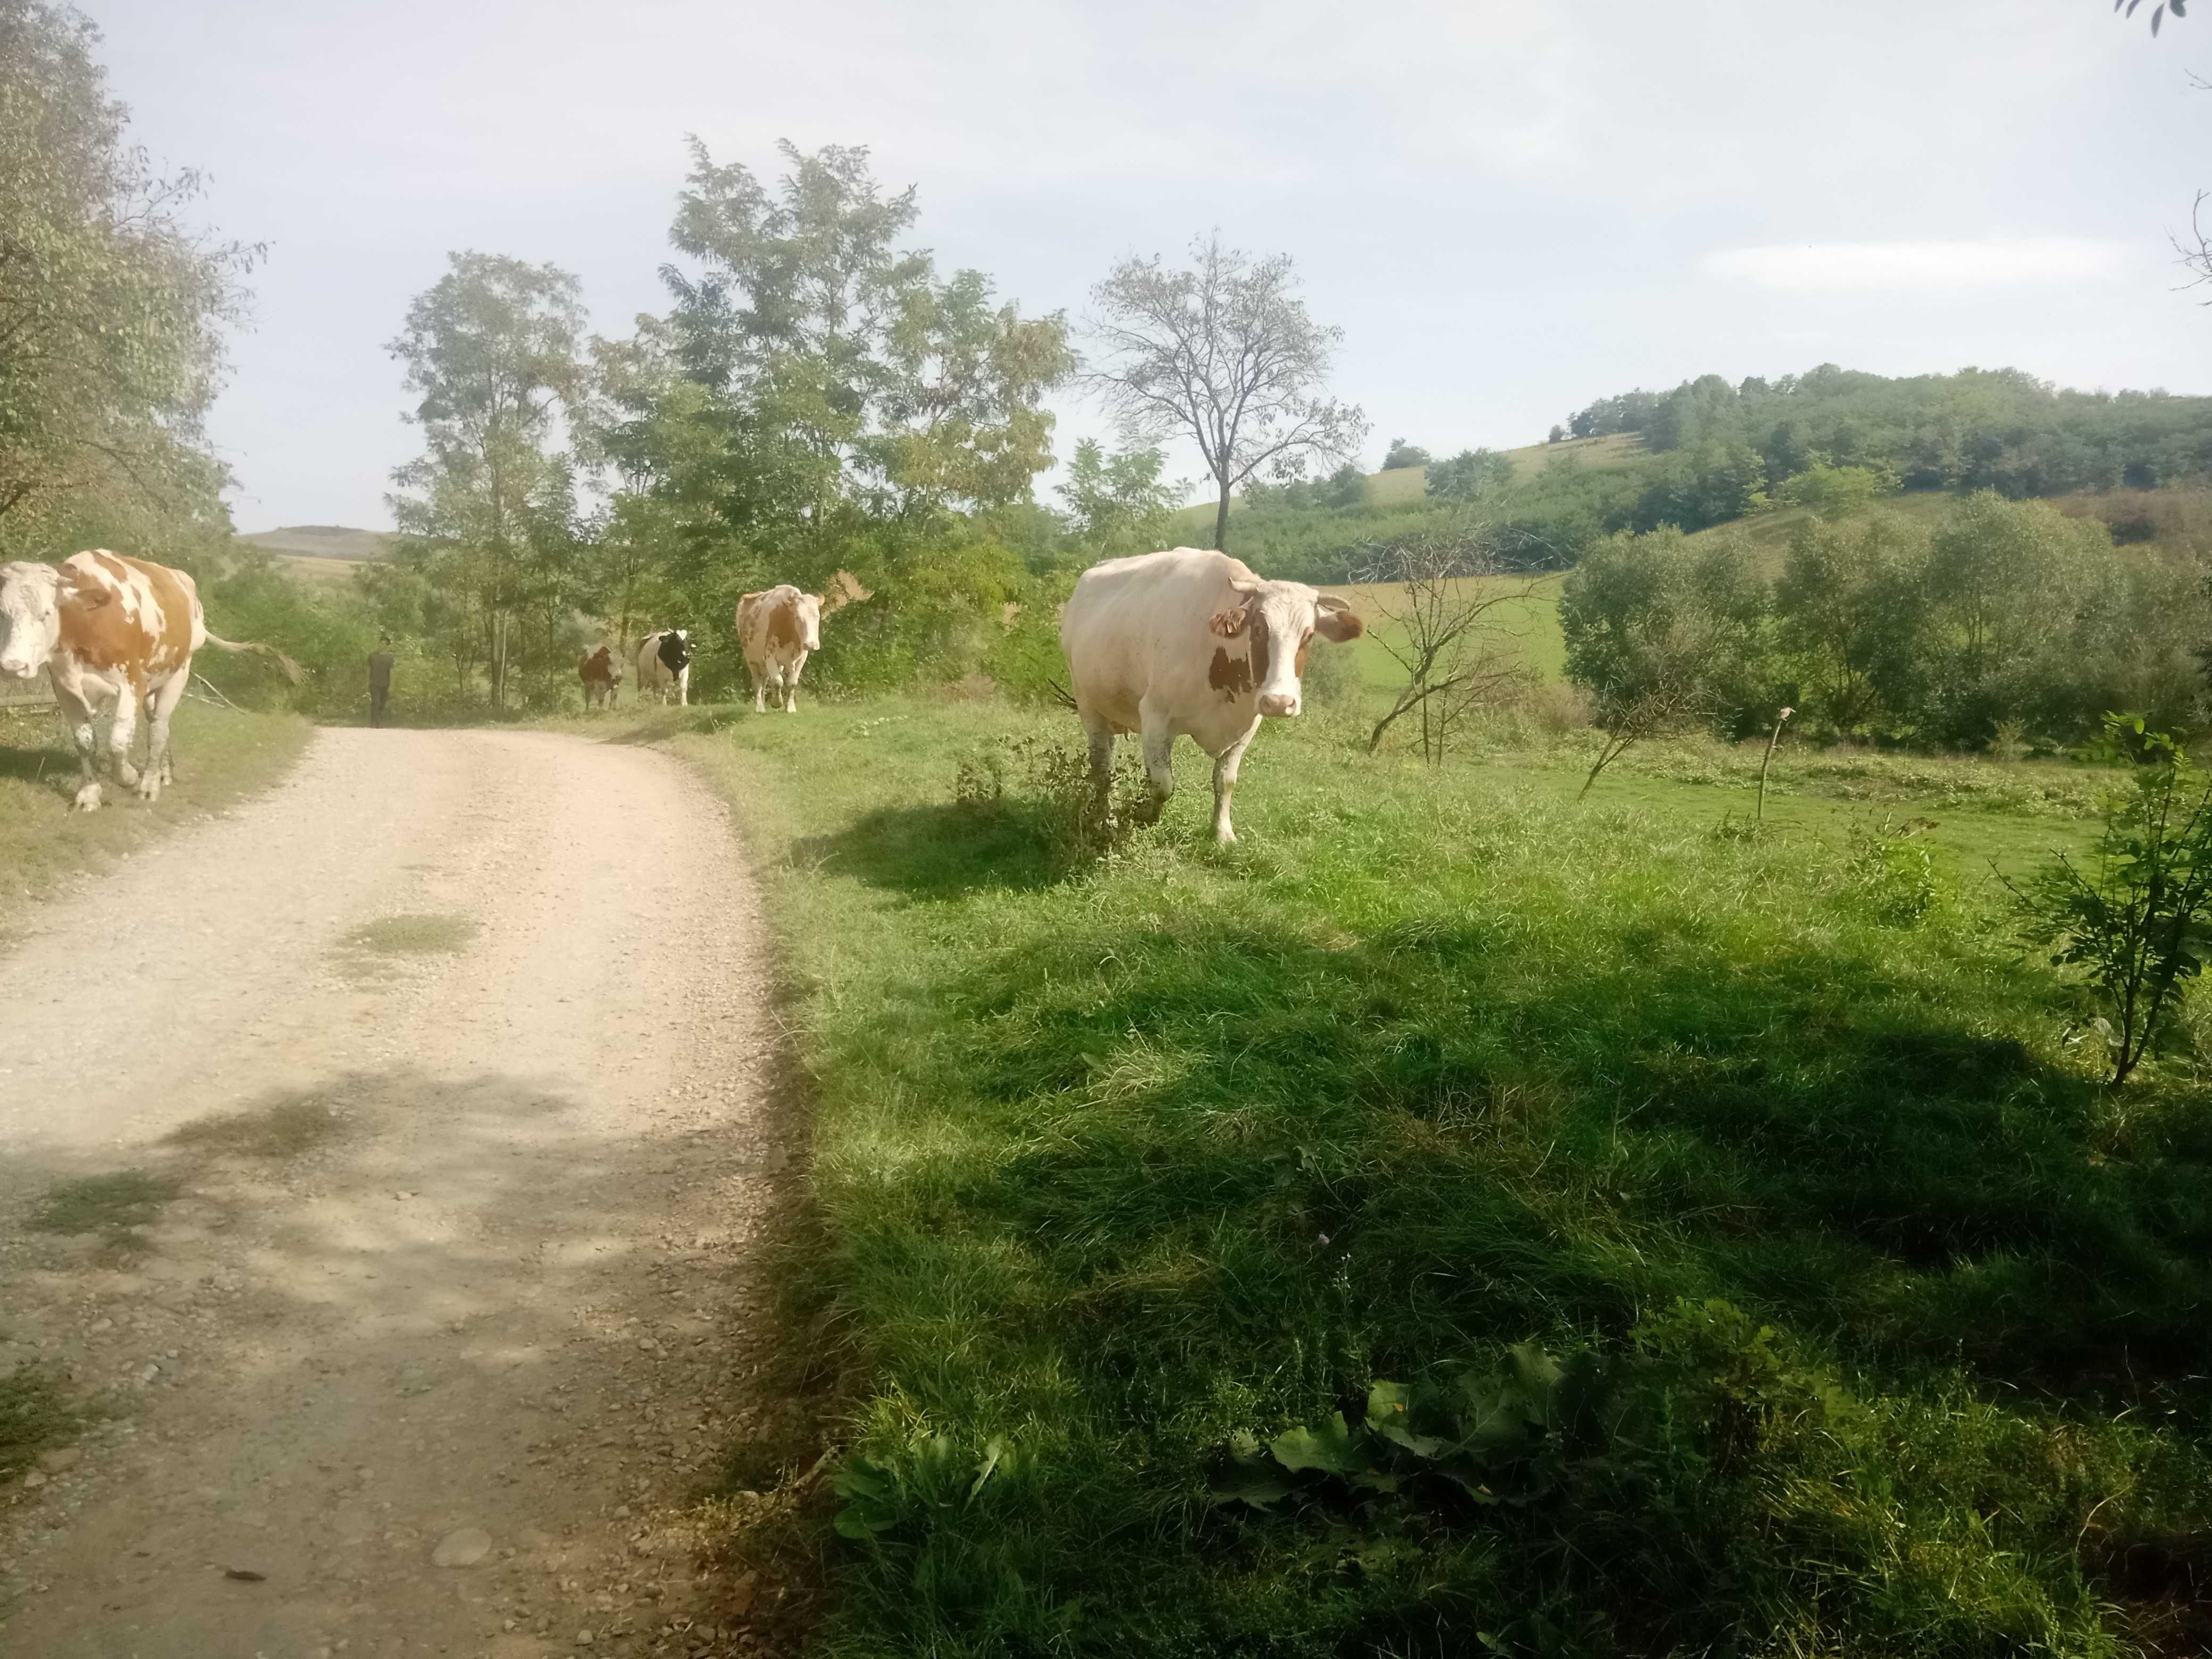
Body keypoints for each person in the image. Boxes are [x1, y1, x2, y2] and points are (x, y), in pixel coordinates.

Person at [367, 637, 394, 728]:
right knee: (375, 701)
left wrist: (392, 684)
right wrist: (367, 681)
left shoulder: (390, 657)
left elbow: (391, 671)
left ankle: (377, 716)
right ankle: (374, 722)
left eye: (384, 644)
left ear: (387, 646)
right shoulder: (372, 656)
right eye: (380, 643)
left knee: (383, 702)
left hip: (385, 683)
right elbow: (368, 669)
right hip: (374, 682)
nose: (381, 645)